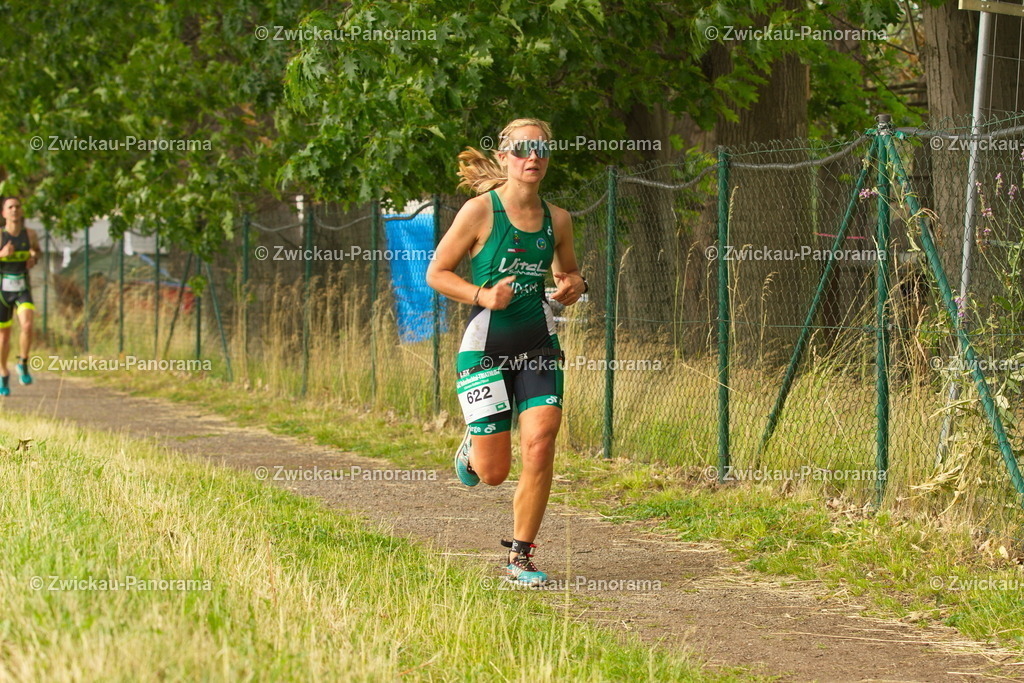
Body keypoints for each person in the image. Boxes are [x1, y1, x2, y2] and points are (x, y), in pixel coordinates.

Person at [426, 118, 587, 586]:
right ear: (504, 157)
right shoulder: (479, 212)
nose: (531, 157)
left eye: (540, 149)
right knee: (493, 474)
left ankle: (520, 557)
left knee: (540, 442)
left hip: (538, 341)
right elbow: (436, 273)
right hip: (484, 348)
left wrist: (574, 286)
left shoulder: (558, 219)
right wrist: (482, 295)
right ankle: (473, 447)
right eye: (521, 149)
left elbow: (570, 275)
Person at [0, 196, 41, 396]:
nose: (14, 210)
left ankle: (23, 362)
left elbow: (37, 253)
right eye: (10, 207)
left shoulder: (30, 235)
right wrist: (2, 254)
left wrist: (33, 257)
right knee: (3, 338)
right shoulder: (0, 236)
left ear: (21, 211)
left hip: (22, 288)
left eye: (17, 206)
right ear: (4, 213)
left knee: (27, 325)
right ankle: (3, 374)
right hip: (2, 291)